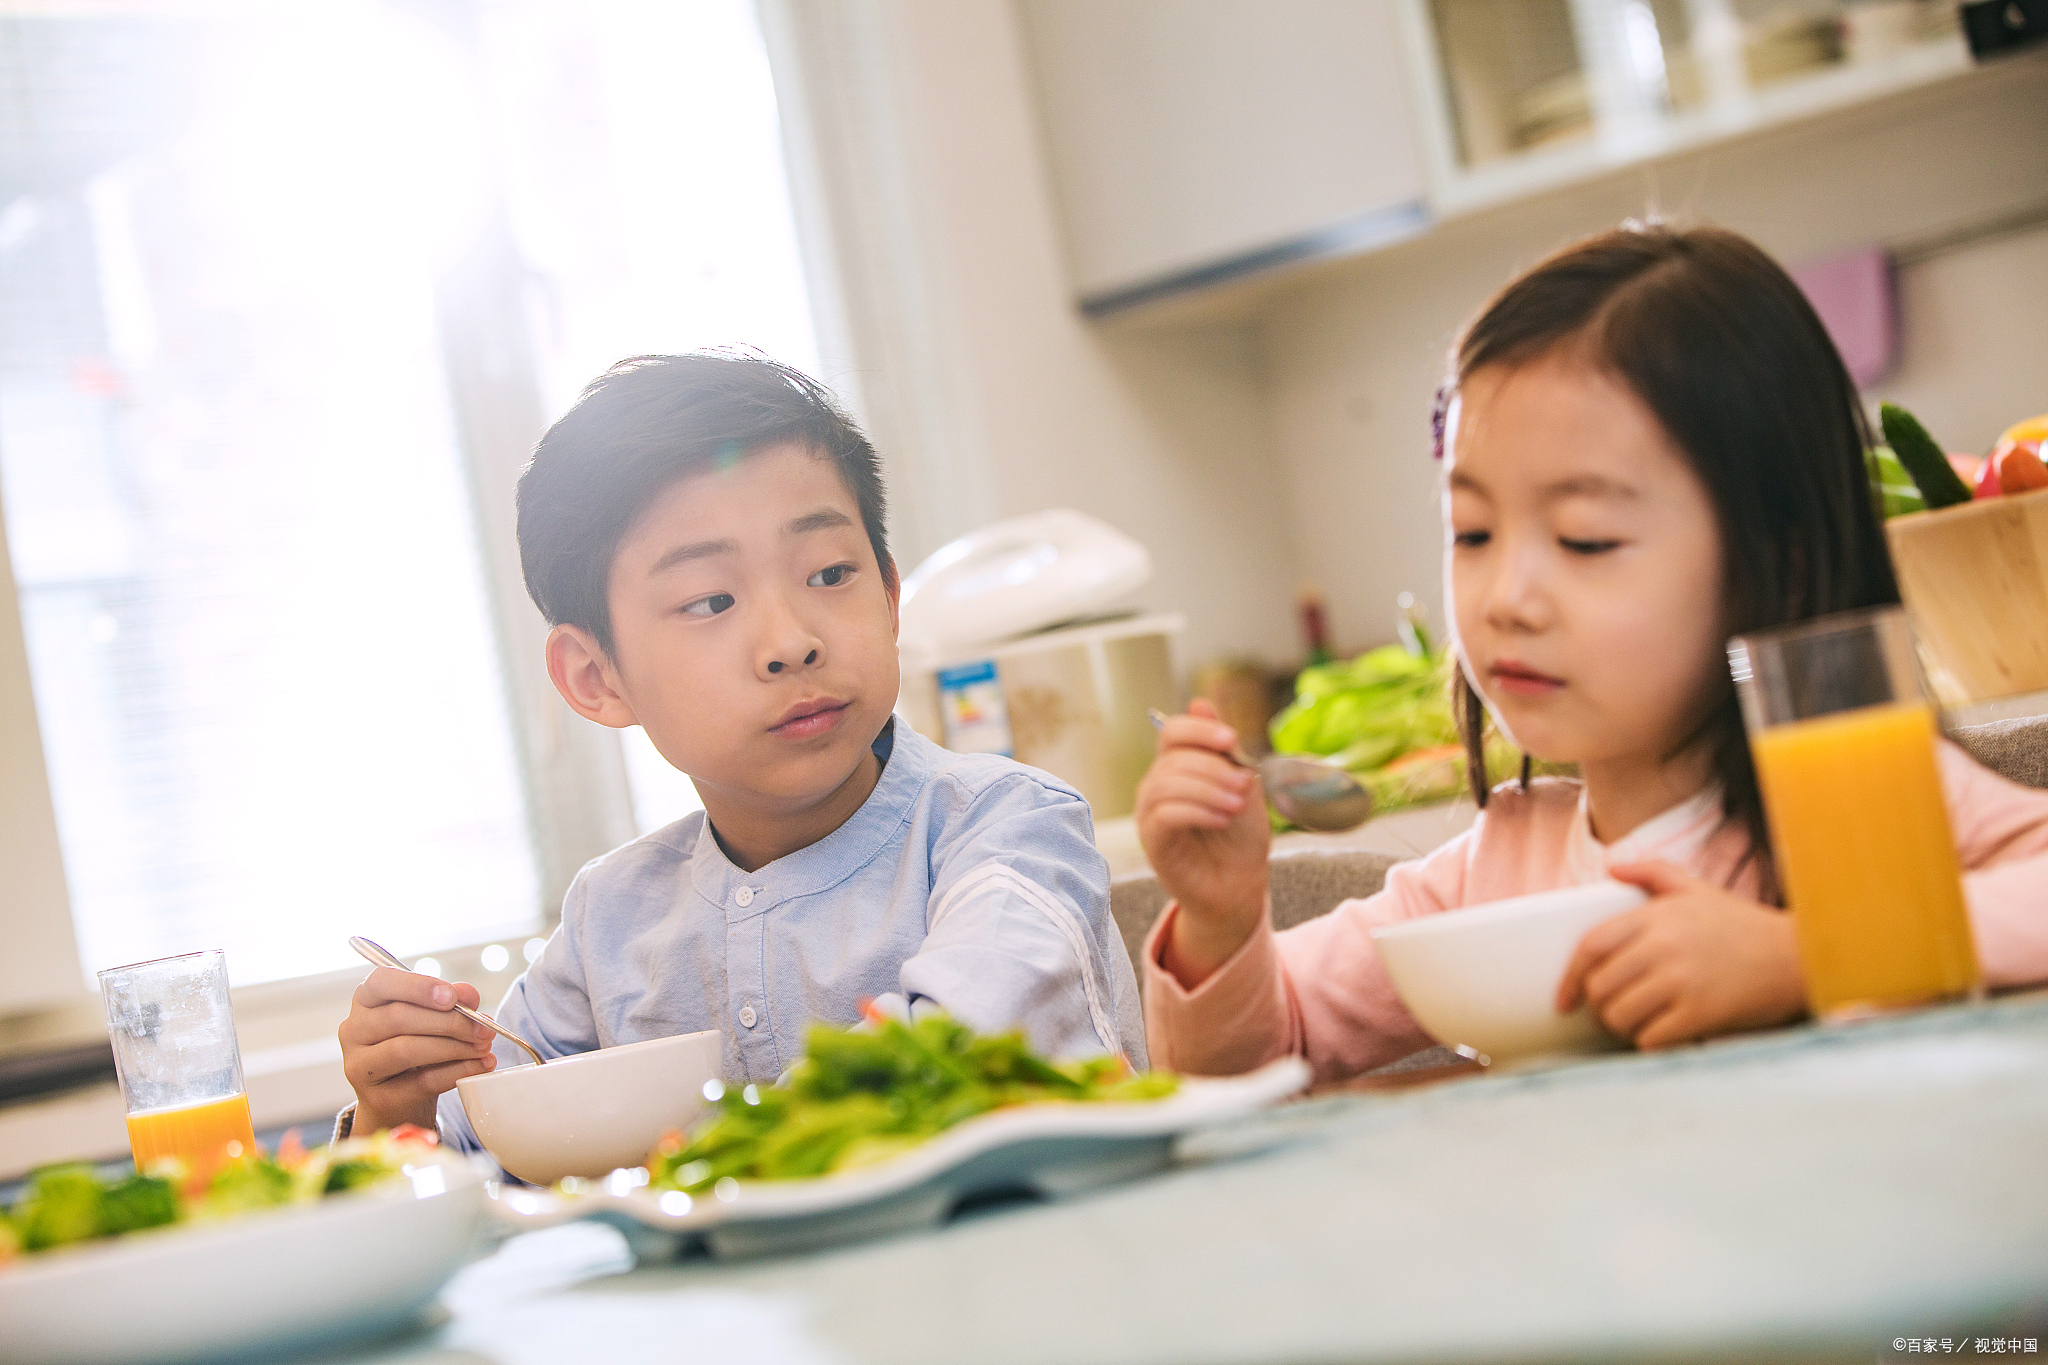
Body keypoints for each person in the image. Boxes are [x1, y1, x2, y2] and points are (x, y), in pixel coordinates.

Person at [1137, 223, 2048, 1083]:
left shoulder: (1864, 791)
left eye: (1585, 540)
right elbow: (1269, 1052)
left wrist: (1807, 953)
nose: (1506, 599)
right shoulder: (1494, 868)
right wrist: (1219, 922)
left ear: (1774, 565)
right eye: (1474, 532)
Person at [337, 352, 1143, 1146]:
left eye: (829, 574)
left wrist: (679, 1139)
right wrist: (395, 1114)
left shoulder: (1010, 832)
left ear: (891, 596)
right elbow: (487, 1146)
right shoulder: (608, 922)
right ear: (595, 676)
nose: (790, 642)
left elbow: (951, 1063)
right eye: (711, 599)